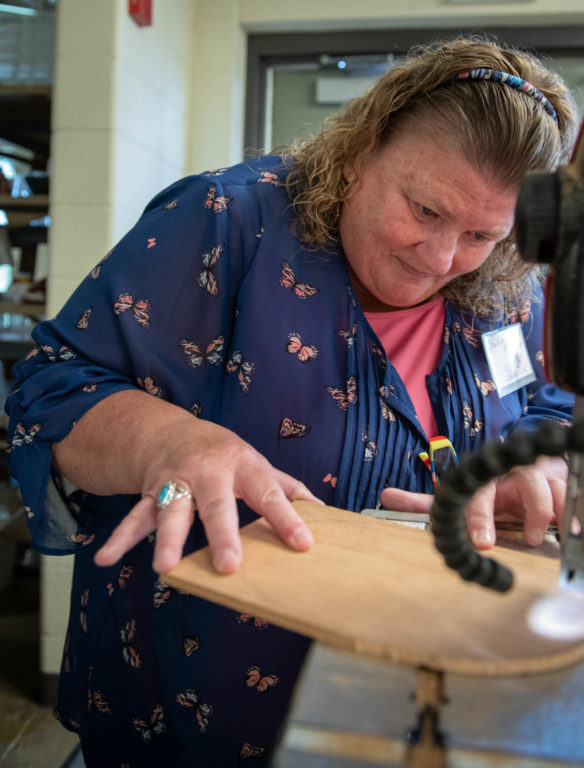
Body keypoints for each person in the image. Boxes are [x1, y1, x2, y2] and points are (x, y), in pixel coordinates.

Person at [5, 35, 579, 767]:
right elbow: (58, 384)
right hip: (197, 688)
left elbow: (552, 409)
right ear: (359, 155)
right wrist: (169, 443)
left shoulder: (505, 280)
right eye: (425, 209)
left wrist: (546, 469)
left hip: (422, 690)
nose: (441, 259)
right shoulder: (226, 221)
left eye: (480, 234)